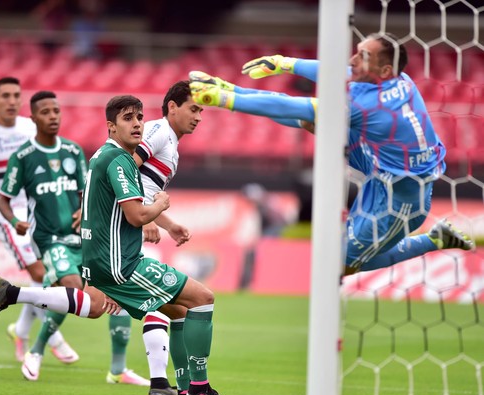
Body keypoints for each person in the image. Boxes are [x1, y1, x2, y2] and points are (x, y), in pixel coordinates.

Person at [0, 95, 240, 395]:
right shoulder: (120, 159)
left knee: (172, 311)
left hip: (102, 260)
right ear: (111, 127)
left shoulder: (102, 156)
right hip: (121, 263)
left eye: (140, 117)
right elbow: (135, 215)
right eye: (128, 118)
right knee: (203, 298)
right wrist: (159, 206)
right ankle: (200, 390)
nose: (138, 123)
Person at [188, 32, 474, 275]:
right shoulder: (399, 80)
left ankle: (434, 240)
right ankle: (229, 87)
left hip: (402, 201)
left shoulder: (365, 105)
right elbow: (337, 72)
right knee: (314, 119)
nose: (352, 60)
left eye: (362, 57)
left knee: (339, 265)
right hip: (379, 164)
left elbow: (295, 107)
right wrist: (284, 63)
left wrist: (227, 100)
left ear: (385, 70)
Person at [0, 90, 148, 386]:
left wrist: (83, 209)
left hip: (84, 238)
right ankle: (38, 350)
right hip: (50, 238)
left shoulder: (73, 151)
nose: (53, 116)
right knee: (72, 286)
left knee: (115, 293)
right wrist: (15, 221)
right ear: (33, 118)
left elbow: (87, 191)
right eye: (46, 112)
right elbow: (3, 199)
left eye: (56, 111)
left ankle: (118, 369)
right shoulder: (23, 157)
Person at [0, 77, 77, 365]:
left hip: (40, 211)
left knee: (48, 275)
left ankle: (20, 330)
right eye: (5, 95)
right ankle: (53, 338)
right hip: (8, 216)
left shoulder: (29, 128)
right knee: (39, 271)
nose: (11, 101)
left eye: (16, 95)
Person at [133, 81, 203, 395]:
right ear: (172, 107)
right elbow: (125, 166)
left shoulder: (172, 146)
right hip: (126, 225)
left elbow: (145, 185)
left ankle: (174, 389)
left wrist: (168, 224)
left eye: (201, 110)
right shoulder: (158, 131)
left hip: (135, 222)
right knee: (175, 303)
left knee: (170, 307)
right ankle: (177, 389)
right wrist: (143, 217)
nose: (199, 117)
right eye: (193, 108)